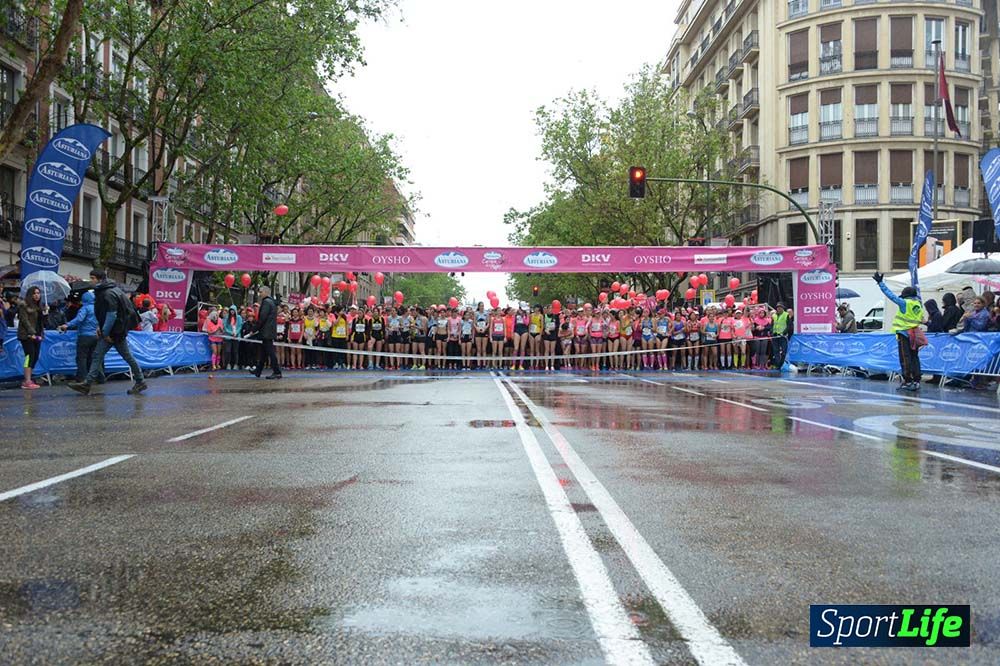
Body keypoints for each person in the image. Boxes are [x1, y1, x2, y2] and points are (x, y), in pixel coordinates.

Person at [67, 268, 148, 395]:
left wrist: (105, 332)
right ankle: (87, 383)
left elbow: (111, 314)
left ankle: (88, 384)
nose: (91, 281)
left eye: (93, 278)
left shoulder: (107, 293)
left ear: (100, 279)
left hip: (114, 332)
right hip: (116, 331)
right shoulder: (110, 290)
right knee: (101, 355)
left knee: (109, 356)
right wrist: (102, 328)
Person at [875, 272, 925, 391]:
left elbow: (891, 296)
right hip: (914, 334)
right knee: (914, 357)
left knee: (905, 357)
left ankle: (908, 380)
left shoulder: (905, 303)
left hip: (904, 334)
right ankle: (916, 379)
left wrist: (880, 283)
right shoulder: (918, 304)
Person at [60, 290, 101, 383]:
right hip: (95, 336)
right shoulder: (97, 308)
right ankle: (93, 377)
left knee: (81, 358)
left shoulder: (84, 308)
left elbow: (79, 319)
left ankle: (82, 378)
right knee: (92, 358)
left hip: (84, 335)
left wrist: (67, 325)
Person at [17, 286, 45, 390]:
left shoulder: (40, 307)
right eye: (34, 293)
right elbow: (24, 321)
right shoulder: (24, 306)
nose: (37, 295)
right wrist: (31, 333)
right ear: (30, 295)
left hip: (38, 335)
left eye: (38, 293)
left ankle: (29, 378)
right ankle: (27, 380)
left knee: (35, 356)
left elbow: (42, 322)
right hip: (27, 335)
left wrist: (45, 314)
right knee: (29, 356)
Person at [251, 286, 281, 379]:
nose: (259, 294)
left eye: (261, 292)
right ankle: (258, 370)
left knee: (270, 352)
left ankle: (277, 372)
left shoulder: (266, 302)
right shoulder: (271, 302)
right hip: (268, 331)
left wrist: (254, 329)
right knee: (264, 352)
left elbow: (262, 318)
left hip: (266, 331)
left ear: (266, 292)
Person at [770, 302, 792, 370]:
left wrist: (784, 332)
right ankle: (778, 365)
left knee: (784, 351)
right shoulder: (774, 315)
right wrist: (771, 332)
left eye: (780, 307)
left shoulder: (786, 315)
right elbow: (772, 325)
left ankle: (781, 364)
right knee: (776, 351)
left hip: (783, 336)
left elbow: (789, 325)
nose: (778, 309)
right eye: (777, 307)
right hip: (775, 336)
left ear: (783, 308)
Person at [222, 305, 243, 370]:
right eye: (231, 310)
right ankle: (228, 364)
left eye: (233, 310)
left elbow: (240, 326)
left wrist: (236, 333)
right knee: (228, 351)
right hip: (228, 337)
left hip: (236, 336)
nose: (232, 311)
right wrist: (231, 333)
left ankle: (236, 364)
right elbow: (225, 327)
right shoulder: (227, 317)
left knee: (235, 351)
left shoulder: (239, 317)